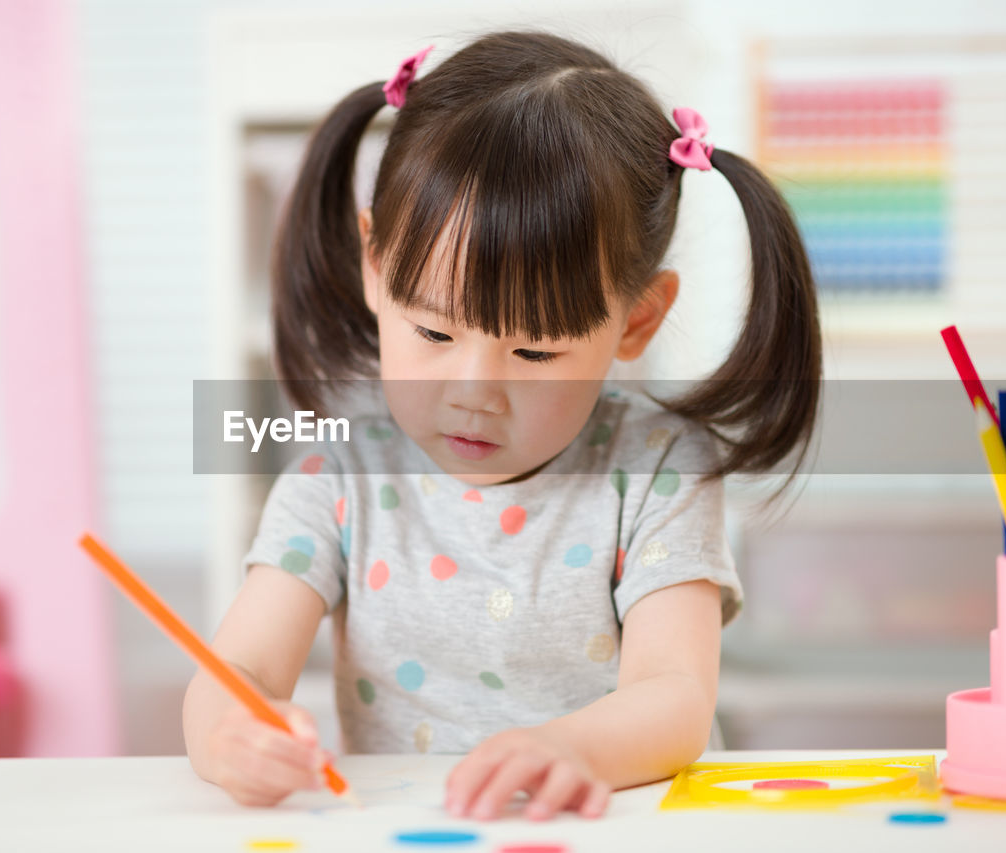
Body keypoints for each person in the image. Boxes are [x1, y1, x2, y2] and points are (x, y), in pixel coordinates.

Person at [183, 30, 820, 821]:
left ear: (637, 318)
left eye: (535, 349)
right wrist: (230, 734)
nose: (474, 391)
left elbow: (676, 693)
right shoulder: (342, 470)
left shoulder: (660, 467)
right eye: (436, 334)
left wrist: (568, 750)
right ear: (376, 267)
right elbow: (239, 661)